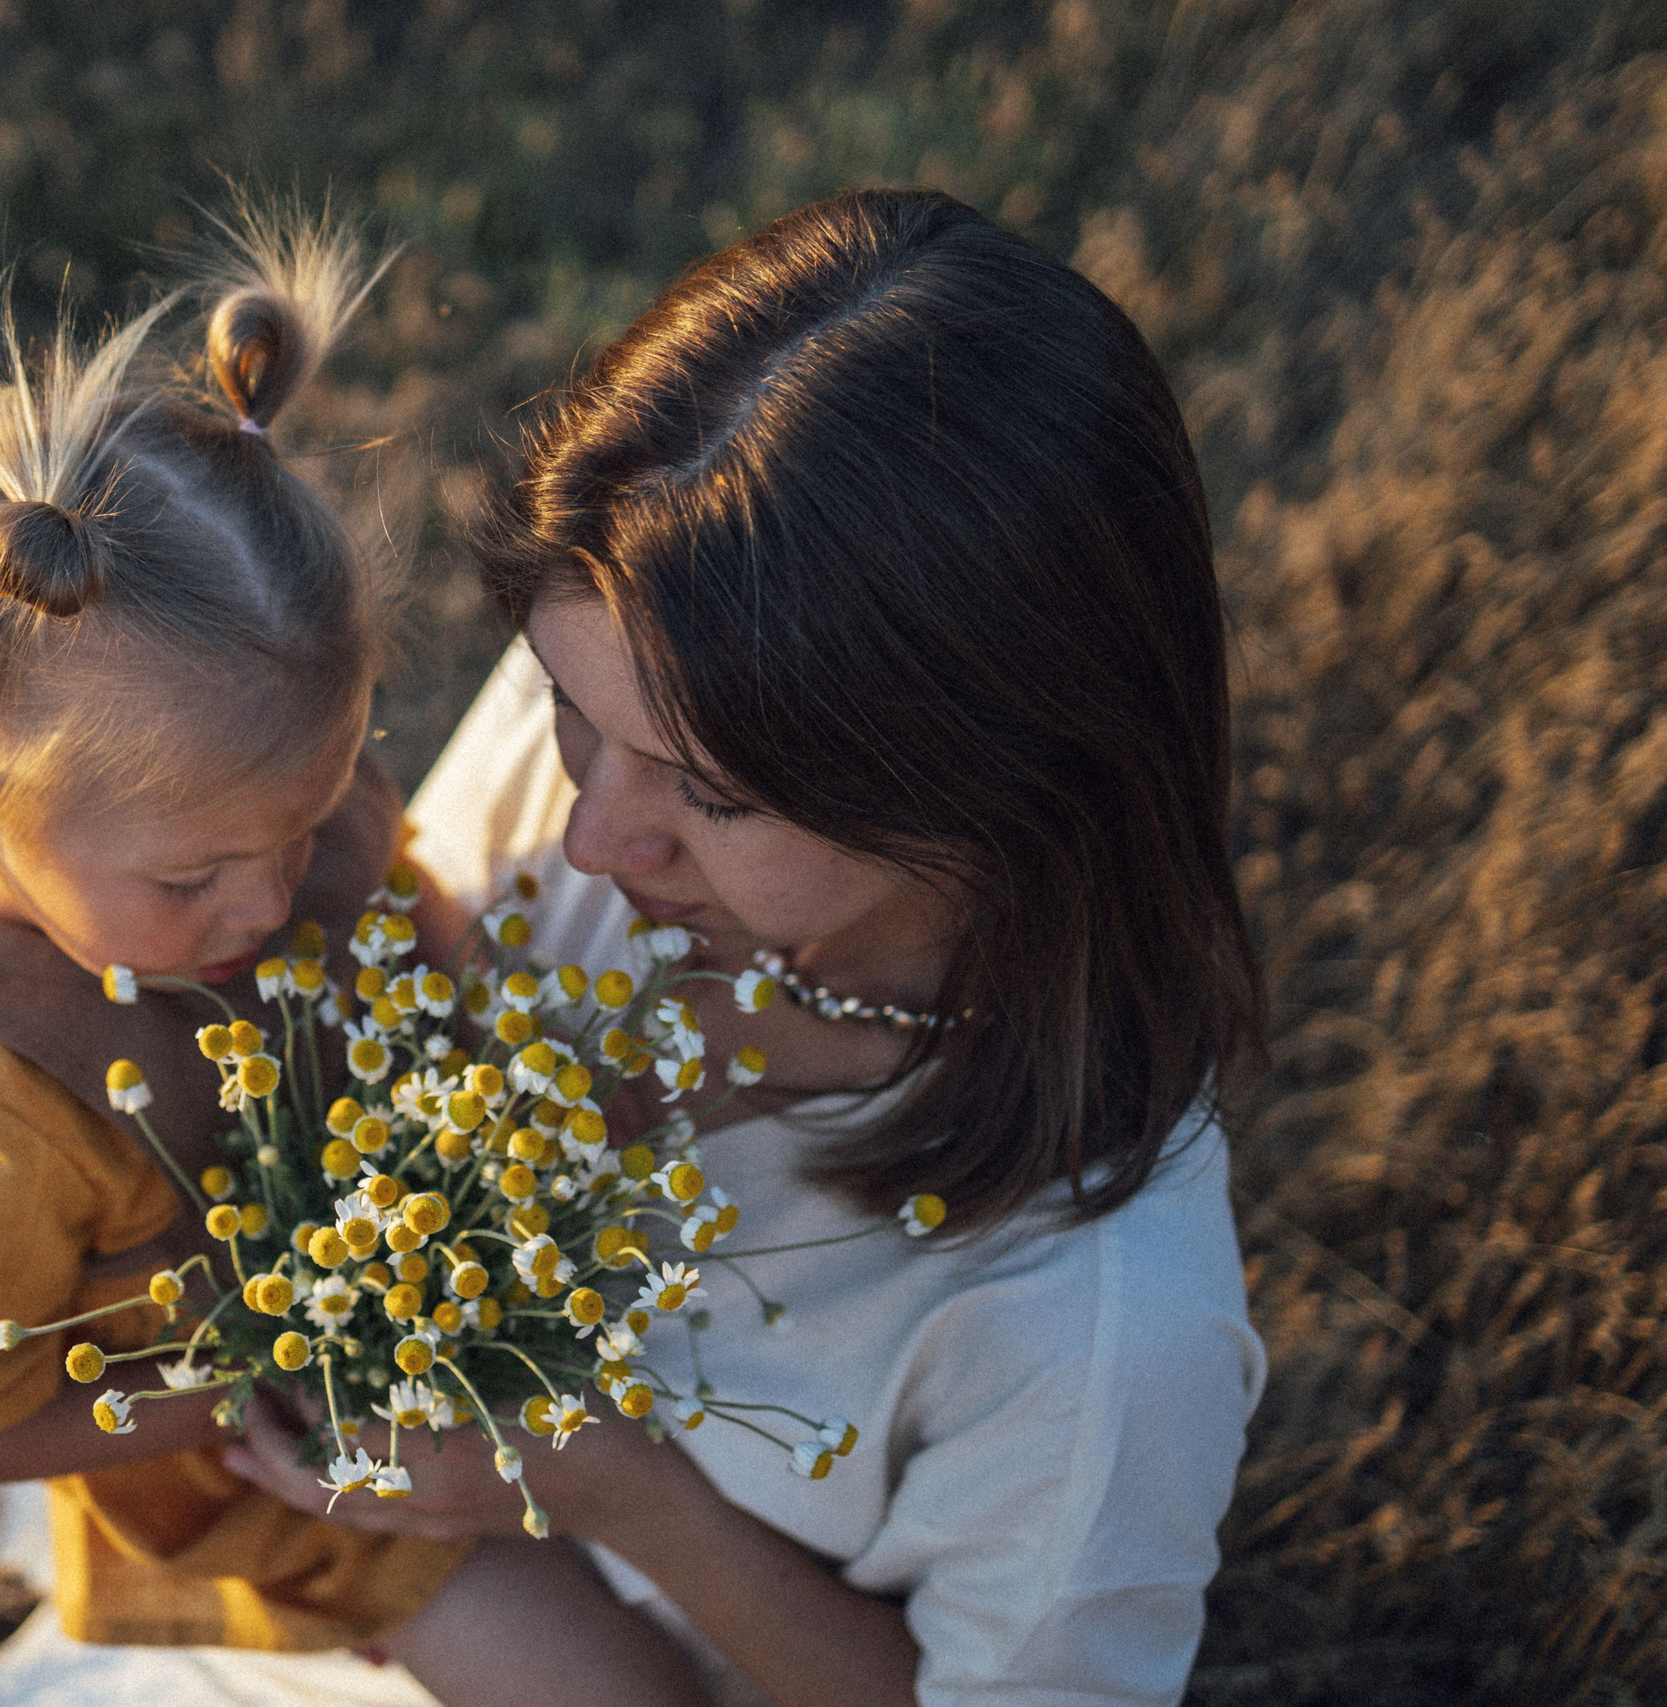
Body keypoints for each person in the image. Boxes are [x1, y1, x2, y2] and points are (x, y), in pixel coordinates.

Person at [219, 188, 1268, 1707]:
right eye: (569, 708)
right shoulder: (646, 681)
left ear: (1003, 788)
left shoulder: (1099, 1321)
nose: (593, 841)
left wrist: (626, 1496)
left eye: (711, 798)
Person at [0, 214, 705, 1706]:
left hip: (435, 1284)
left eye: (306, 822)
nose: (267, 902)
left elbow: (403, 909)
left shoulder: (256, 798)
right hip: (282, 1472)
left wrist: (505, 1060)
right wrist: (248, 1383)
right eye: (193, 880)